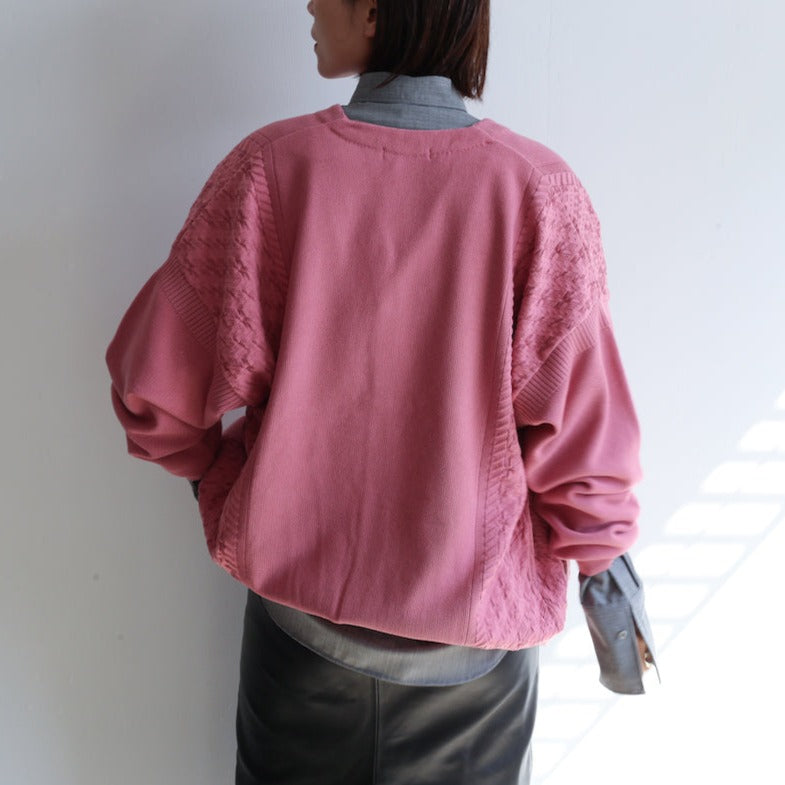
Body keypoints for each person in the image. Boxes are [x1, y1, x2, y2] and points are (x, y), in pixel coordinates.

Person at [105, 1, 657, 783]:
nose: (308, 4)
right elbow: (583, 442)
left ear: (371, 10)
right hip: (472, 670)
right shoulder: (537, 190)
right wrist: (605, 574)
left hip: (298, 650)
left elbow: (154, 393)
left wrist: (226, 482)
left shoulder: (270, 169)